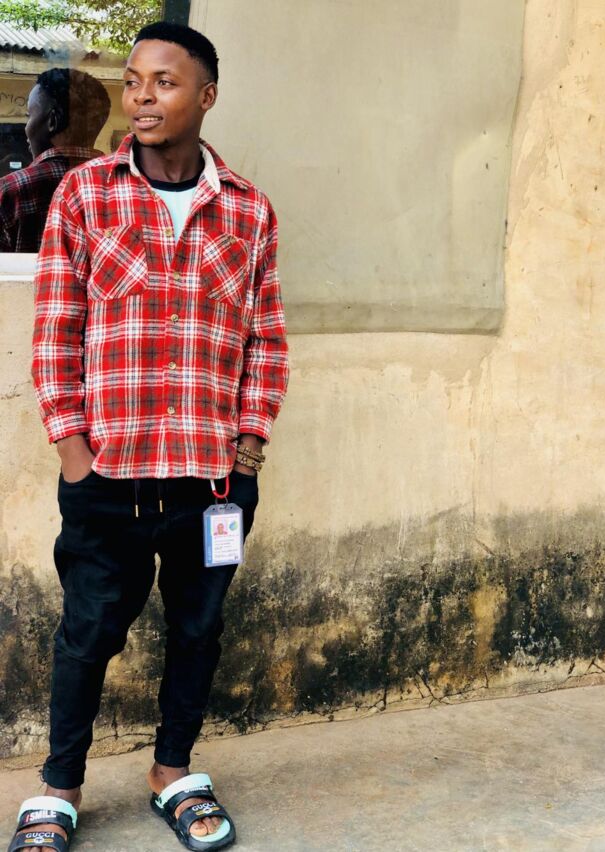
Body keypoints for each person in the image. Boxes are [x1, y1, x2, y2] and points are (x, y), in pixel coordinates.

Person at [8, 21, 288, 852]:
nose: (141, 97)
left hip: (211, 480)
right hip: (110, 475)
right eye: (132, 81)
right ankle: (59, 788)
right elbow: (56, 333)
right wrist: (75, 456)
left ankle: (173, 772)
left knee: (198, 631)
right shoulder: (84, 196)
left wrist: (246, 454)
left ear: (206, 96)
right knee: (88, 633)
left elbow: (266, 342)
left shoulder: (249, 211)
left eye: (164, 82)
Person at [0, 68, 110, 253]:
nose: (26, 128)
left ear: (52, 121)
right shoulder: (127, 187)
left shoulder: (10, 192)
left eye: (29, 116)